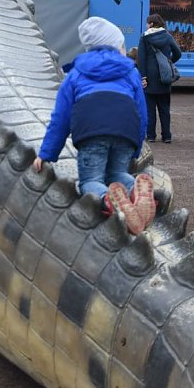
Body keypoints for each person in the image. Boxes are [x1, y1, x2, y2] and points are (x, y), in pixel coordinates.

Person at [32, 16, 155, 234]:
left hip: (92, 132)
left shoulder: (76, 73)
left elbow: (61, 117)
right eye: (122, 45)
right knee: (117, 173)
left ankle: (107, 199)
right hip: (125, 129)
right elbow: (141, 112)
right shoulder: (131, 71)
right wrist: (136, 146)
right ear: (116, 47)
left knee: (91, 180)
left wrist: (46, 154)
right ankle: (134, 191)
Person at [137, 14, 181, 143]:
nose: (146, 25)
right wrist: (169, 62)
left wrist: (143, 77)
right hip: (164, 76)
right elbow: (178, 53)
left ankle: (151, 135)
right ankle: (166, 136)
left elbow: (141, 59)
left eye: (147, 23)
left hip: (150, 76)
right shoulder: (167, 36)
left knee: (150, 109)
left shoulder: (144, 37)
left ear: (151, 23)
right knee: (164, 108)